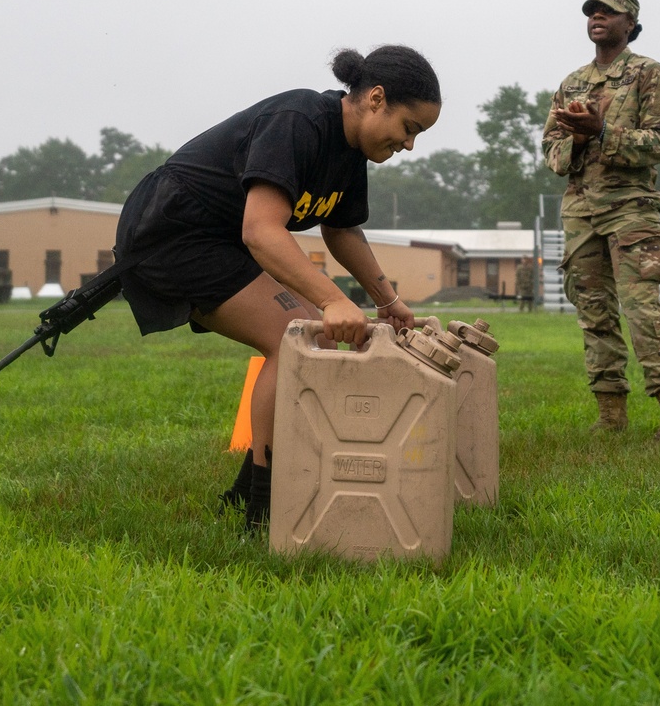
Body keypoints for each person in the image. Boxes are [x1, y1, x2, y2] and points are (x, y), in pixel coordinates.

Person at [115, 45, 441, 527]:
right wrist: (331, 299)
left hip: (223, 242)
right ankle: (264, 511)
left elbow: (341, 229)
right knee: (295, 339)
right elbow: (262, 230)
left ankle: (247, 492)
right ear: (375, 99)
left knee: (317, 336)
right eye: (409, 128)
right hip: (172, 233)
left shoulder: (351, 151)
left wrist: (387, 302)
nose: (409, 145)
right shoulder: (299, 121)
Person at [540, 0, 660, 443]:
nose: (597, 17)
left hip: (631, 209)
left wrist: (602, 130)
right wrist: (580, 140)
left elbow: (659, 144)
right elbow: (550, 149)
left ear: (630, 24)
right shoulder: (572, 83)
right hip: (581, 210)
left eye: (609, 12)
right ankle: (610, 414)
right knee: (593, 312)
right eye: (592, 12)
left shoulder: (648, 73)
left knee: (641, 308)